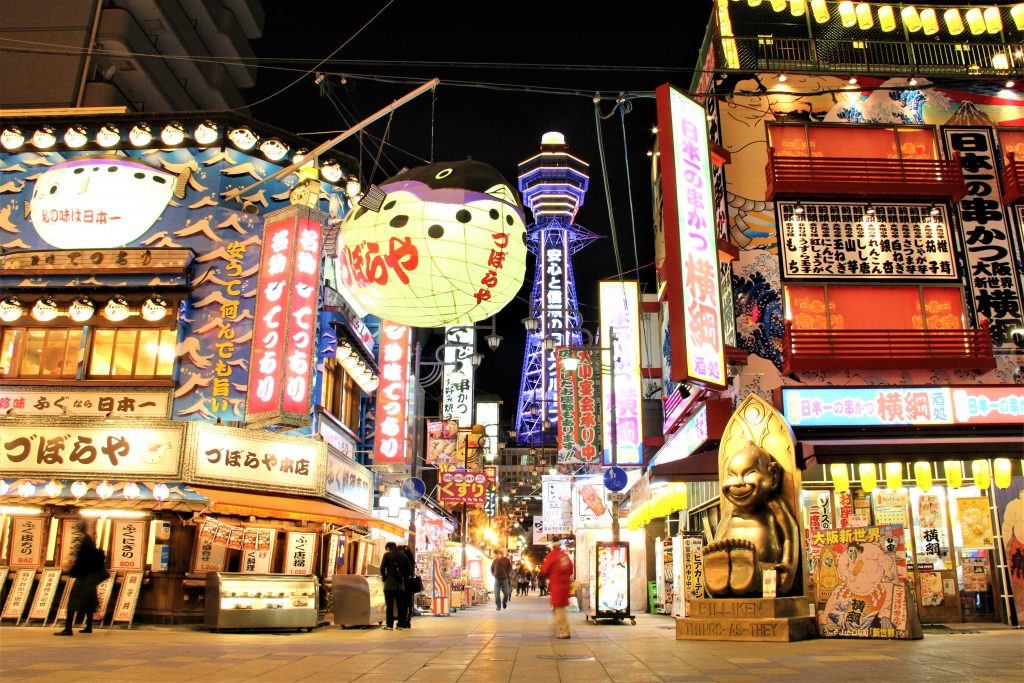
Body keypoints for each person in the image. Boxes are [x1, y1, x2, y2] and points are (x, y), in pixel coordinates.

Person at [55, 525, 107, 636]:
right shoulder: (93, 550)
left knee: (72, 604)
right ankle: (88, 626)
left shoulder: (85, 551)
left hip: (83, 580)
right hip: (90, 582)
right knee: (89, 604)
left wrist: (71, 570)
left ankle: (68, 628)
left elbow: (79, 565)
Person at [539, 539, 574, 639]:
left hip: (557, 585)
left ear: (552, 546)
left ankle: (565, 631)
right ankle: (556, 626)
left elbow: (544, 570)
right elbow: (571, 570)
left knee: (558, 608)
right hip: (565, 584)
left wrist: (543, 576)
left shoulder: (551, 556)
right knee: (559, 608)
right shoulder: (565, 555)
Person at [380, 541, 412, 629]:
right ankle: (400, 624)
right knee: (400, 605)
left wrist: (385, 578)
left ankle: (389, 625)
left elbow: (382, 568)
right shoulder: (403, 555)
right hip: (400, 585)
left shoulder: (387, 555)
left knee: (389, 606)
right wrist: (403, 578)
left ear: (388, 548)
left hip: (389, 585)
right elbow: (409, 570)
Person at [400, 545, 419, 629]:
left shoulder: (403, 559)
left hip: (404, 583)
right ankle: (408, 620)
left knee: (403, 602)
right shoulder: (411, 559)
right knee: (409, 602)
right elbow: (412, 572)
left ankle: (404, 620)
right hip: (411, 583)